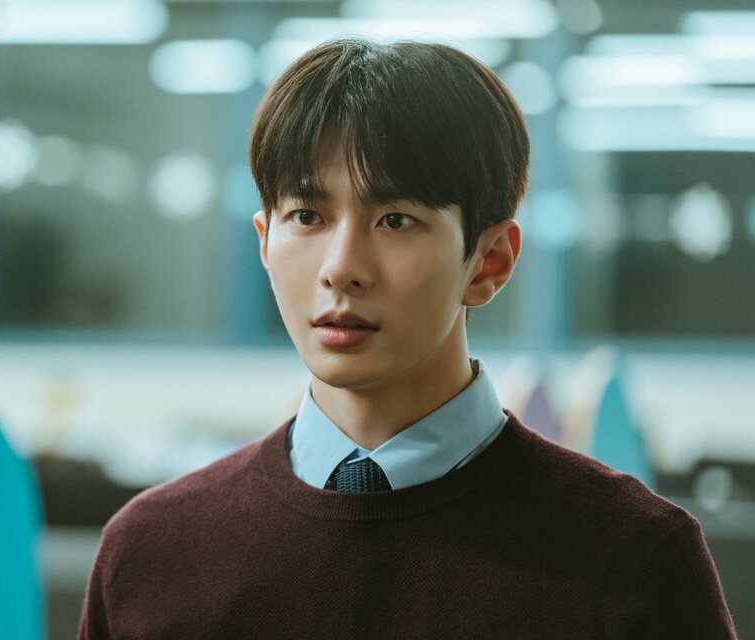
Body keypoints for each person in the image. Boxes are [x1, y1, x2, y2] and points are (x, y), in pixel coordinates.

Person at [78, 38, 737, 638]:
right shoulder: (151, 552)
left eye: (395, 219)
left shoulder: (632, 557)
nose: (341, 267)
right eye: (306, 215)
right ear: (264, 243)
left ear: (489, 262)